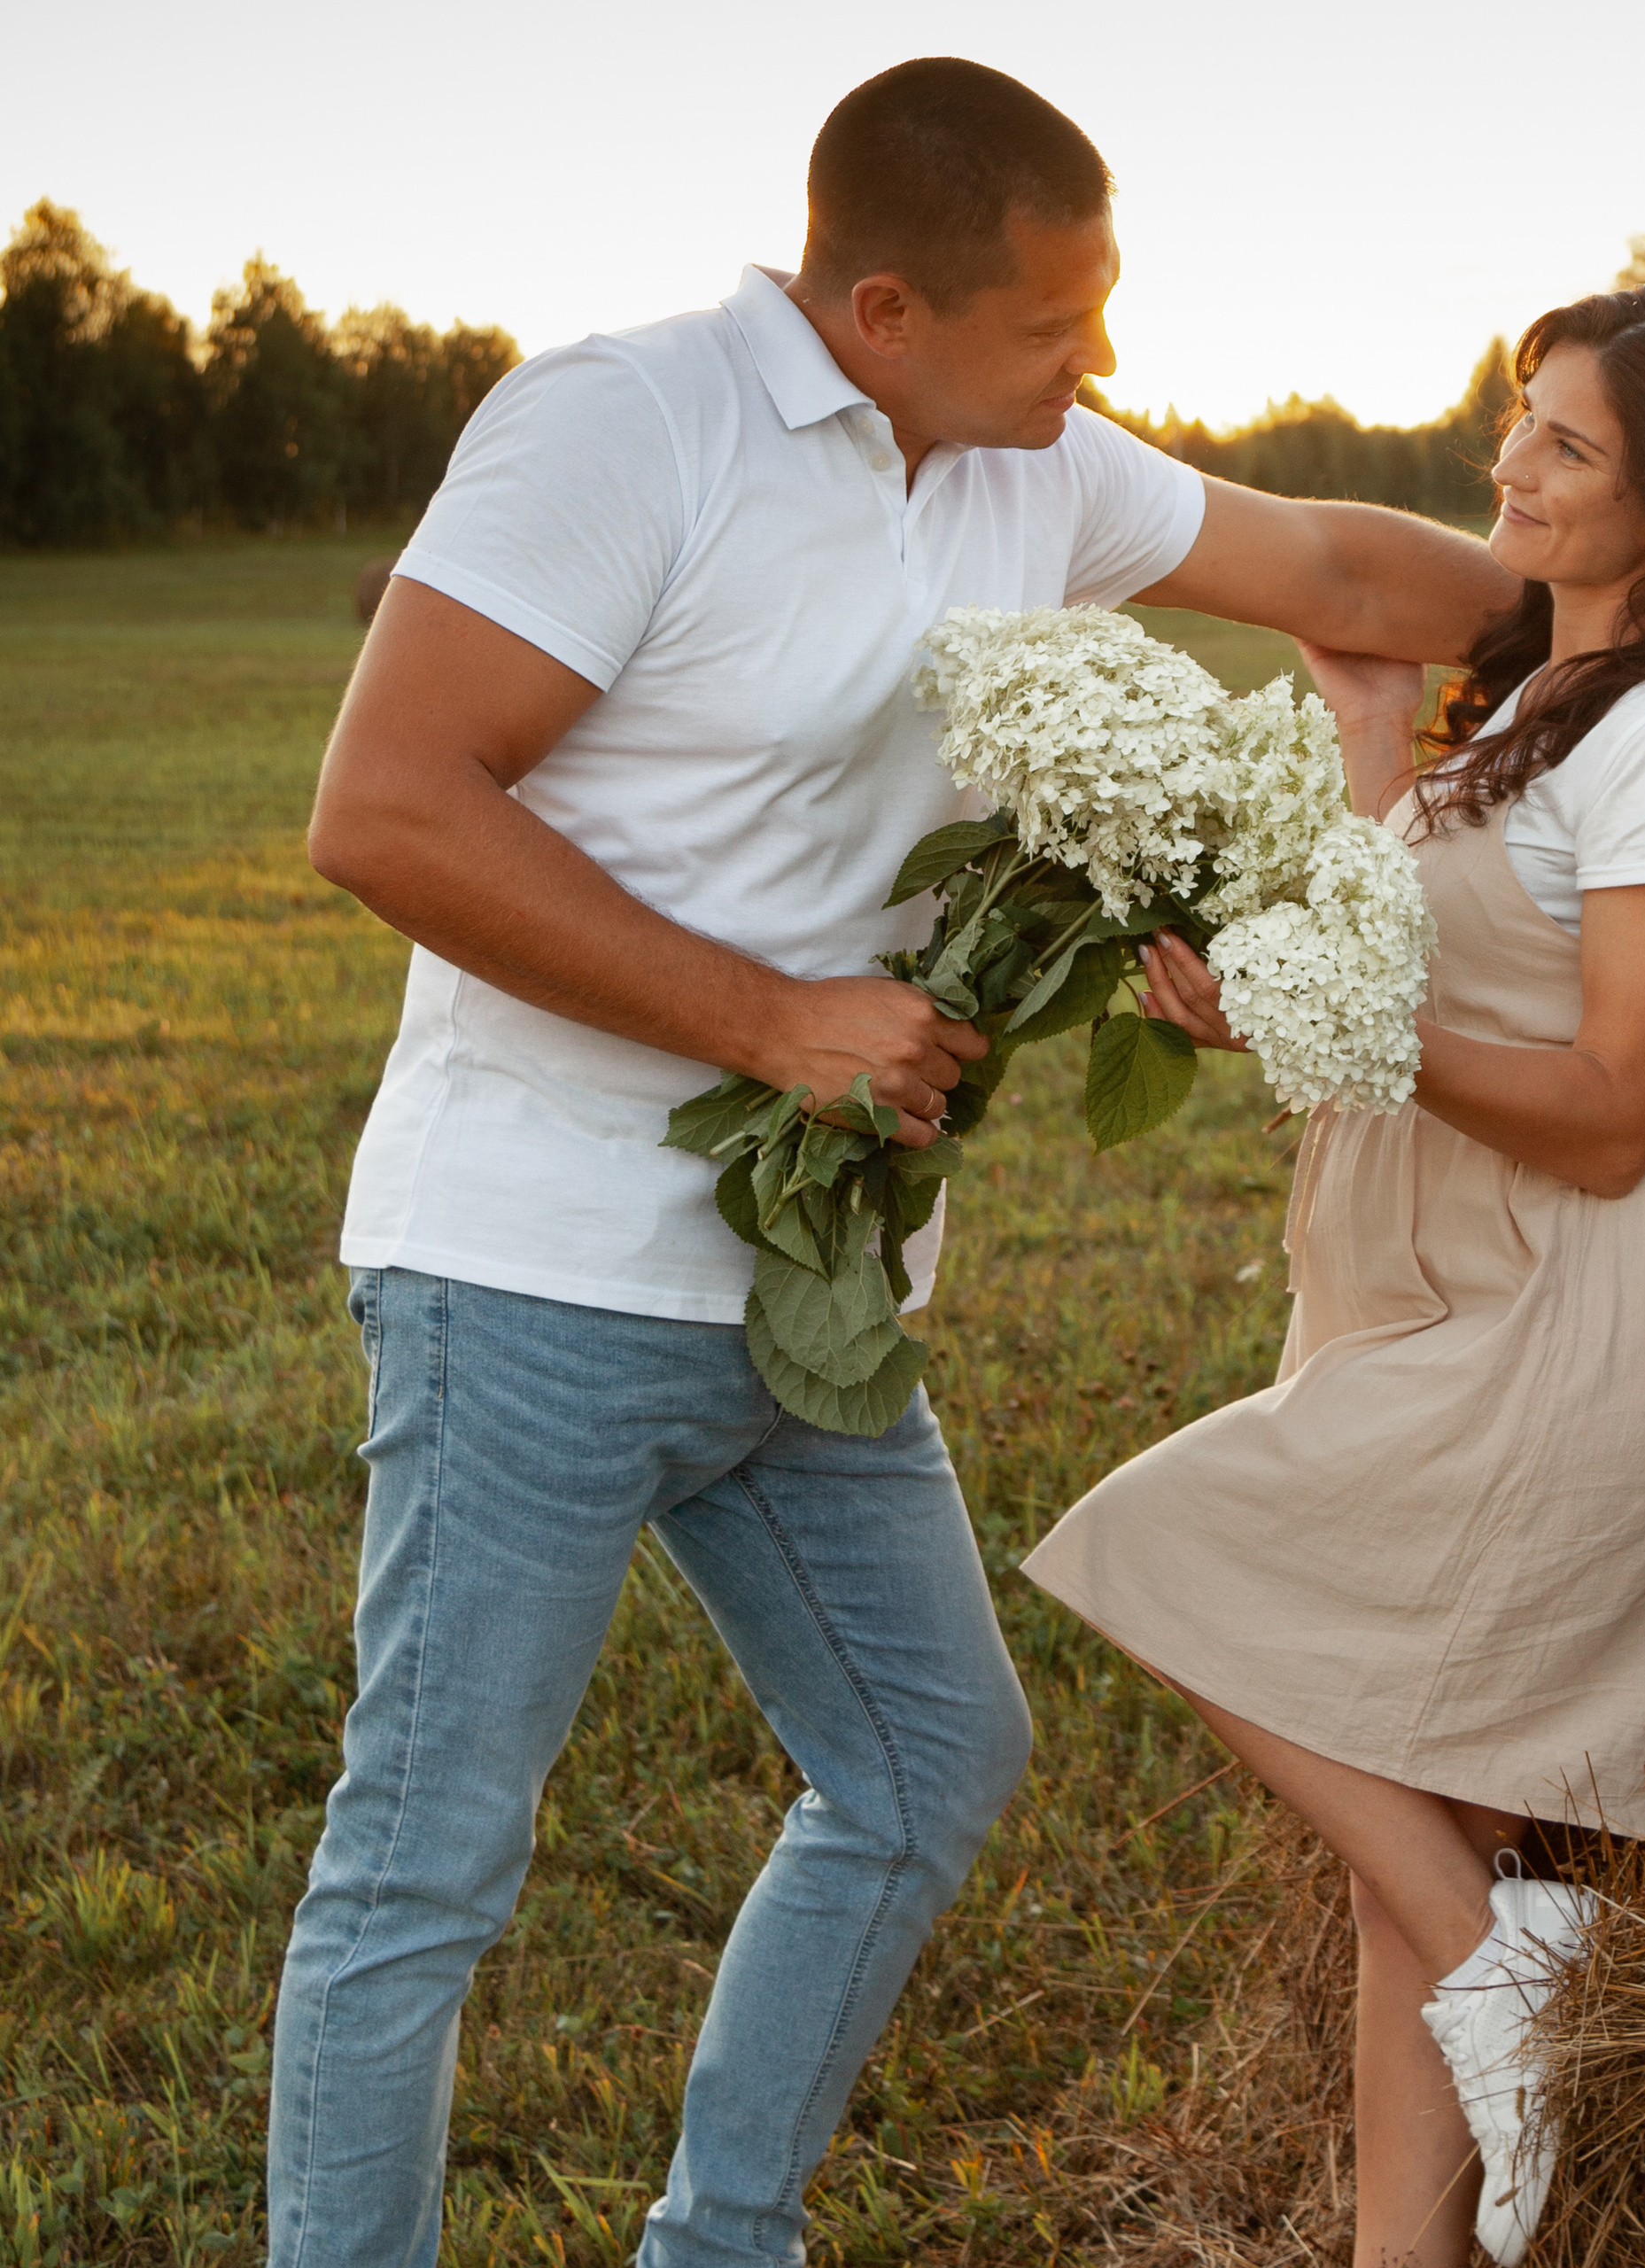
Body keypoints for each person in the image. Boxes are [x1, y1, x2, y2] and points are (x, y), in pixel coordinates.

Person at [270, 53, 1517, 2268]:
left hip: (815, 1294)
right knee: (425, 1872)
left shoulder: (1029, 465)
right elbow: (387, 808)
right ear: (878, 310)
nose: (1098, 362)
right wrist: (769, 1021)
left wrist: (1635, 596)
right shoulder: (621, 424)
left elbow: (1327, 557)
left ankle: (718, 2239)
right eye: (1055, 324)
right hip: (533, 1268)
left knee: (927, 1759)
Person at [1024, 284, 1645, 2267]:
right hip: (1465, 1294)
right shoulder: (1546, 715)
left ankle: (1519, 1973)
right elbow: (1420, 936)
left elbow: (1609, 1100)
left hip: (1595, 1305)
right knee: (1416, 1822)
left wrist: (1330, 1026)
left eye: (1566, 445)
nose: (1509, 462)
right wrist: (1371, 727)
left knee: (1154, 1552)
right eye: (1515, 418)